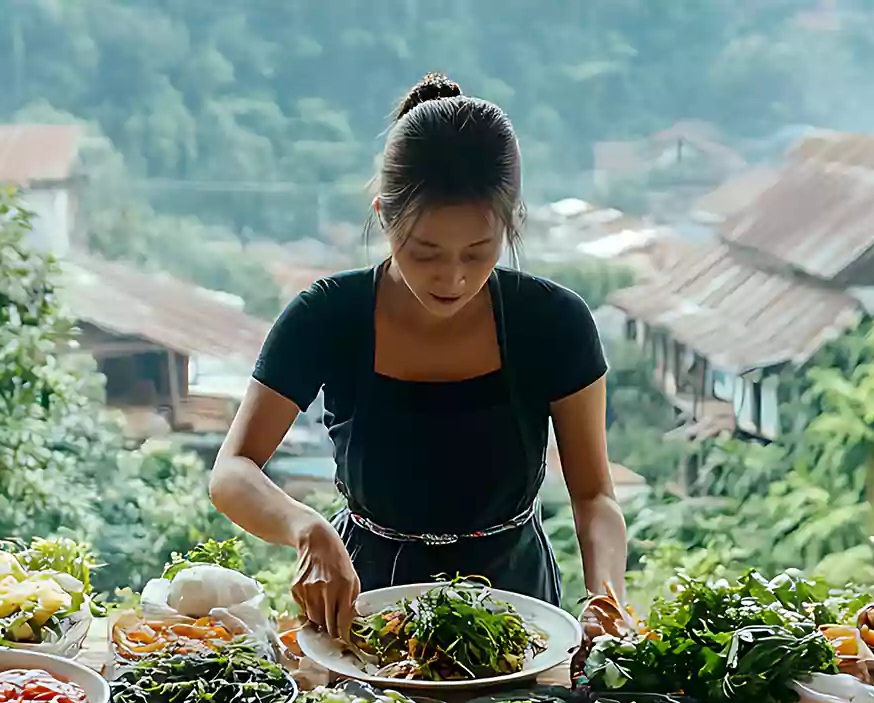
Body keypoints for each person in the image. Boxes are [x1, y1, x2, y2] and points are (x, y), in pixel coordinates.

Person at [210, 72, 629, 636]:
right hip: (365, 601)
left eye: (478, 251)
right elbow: (232, 471)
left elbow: (594, 495)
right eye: (425, 251)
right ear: (384, 216)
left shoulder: (554, 322)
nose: (453, 277)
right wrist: (305, 528)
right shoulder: (328, 316)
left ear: (511, 225)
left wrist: (606, 603)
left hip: (518, 607)